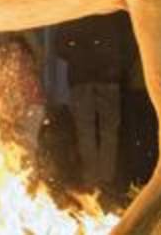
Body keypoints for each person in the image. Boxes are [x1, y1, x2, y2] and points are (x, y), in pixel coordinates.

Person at [53, 12, 128, 191]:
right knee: (108, 130)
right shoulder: (111, 14)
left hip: (82, 77)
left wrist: (78, 53)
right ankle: (105, 179)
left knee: (85, 130)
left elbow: (60, 46)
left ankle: (92, 179)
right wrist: (115, 63)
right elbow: (126, 43)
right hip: (107, 76)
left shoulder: (75, 14)